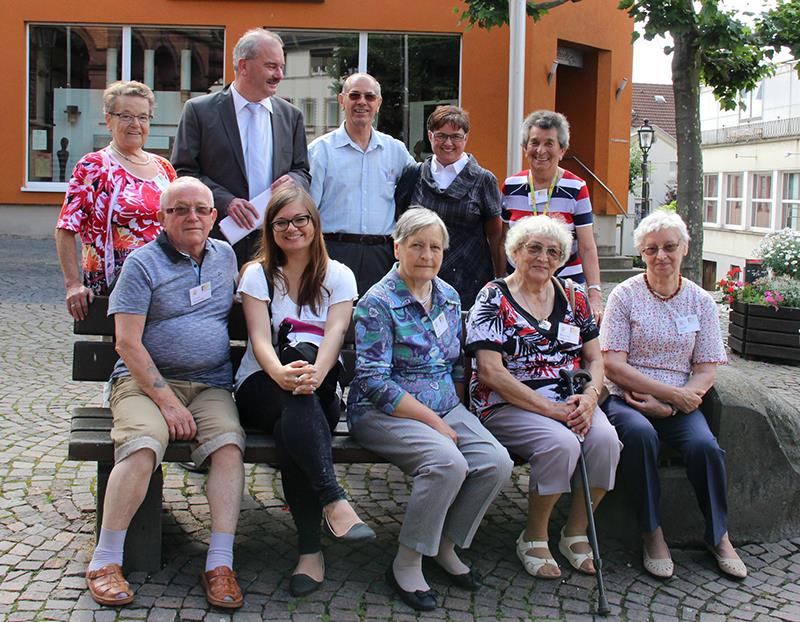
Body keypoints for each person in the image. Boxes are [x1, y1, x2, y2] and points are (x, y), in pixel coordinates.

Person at [84, 177, 246, 609]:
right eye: (179, 210)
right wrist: (168, 402)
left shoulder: (225, 256)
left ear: (214, 217)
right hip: (143, 383)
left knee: (229, 447)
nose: (192, 216)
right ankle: (105, 560)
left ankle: (219, 563)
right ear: (162, 217)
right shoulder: (142, 264)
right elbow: (127, 343)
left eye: (201, 209)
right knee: (141, 446)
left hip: (211, 383)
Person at [348, 208, 513, 611]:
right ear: (397, 246)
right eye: (417, 245)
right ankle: (406, 563)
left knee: (496, 461)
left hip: (443, 404)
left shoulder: (449, 295)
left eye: (435, 247)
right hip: (384, 409)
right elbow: (372, 380)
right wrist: (434, 421)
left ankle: (444, 544)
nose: (426, 254)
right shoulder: (378, 303)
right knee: (446, 464)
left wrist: (455, 411)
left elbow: (457, 363)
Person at [234, 185, 374, 597]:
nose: (292, 228)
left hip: (319, 385)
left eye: (300, 219)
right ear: (270, 228)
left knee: (296, 417)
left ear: (314, 223)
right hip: (261, 385)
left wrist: (315, 373)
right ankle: (330, 507)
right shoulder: (257, 273)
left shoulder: (339, 275)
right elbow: (259, 338)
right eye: (282, 222)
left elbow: (335, 333)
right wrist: (279, 372)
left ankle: (313, 546)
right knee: (295, 410)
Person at [466, 215, 620, 579]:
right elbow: (489, 371)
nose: (543, 257)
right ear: (515, 252)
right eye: (533, 248)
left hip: (572, 398)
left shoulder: (575, 296)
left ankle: (575, 532)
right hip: (508, 400)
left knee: (606, 440)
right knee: (561, 444)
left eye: (553, 251)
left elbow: (596, 358)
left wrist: (591, 397)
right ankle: (533, 536)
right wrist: (550, 410)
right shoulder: (493, 296)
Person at [600, 210, 746, 580]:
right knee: (640, 435)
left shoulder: (700, 301)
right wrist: (668, 398)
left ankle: (718, 535)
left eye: (669, 247)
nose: (661, 255)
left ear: (684, 248)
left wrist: (677, 401)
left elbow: (706, 368)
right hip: (629, 398)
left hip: (681, 401)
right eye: (651, 249)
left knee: (706, 448)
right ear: (641, 254)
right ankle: (652, 533)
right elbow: (614, 365)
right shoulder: (624, 296)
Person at [172, 28, 310, 266]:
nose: (280, 75)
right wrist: (226, 201)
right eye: (271, 66)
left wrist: (293, 181)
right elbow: (183, 173)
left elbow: (303, 172)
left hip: (277, 240)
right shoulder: (200, 111)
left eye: (281, 67)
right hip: (217, 240)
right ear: (243, 66)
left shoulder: (291, 116)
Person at [56, 80, 176, 320]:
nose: (136, 124)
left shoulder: (164, 168)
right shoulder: (94, 166)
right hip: (117, 287)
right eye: (126, 116)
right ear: (108, 120)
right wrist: (73, 284)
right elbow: (66, 228)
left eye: (143, 117)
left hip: (163, 283)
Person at [309, 72, 415, 295]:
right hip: (333, 251)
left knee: (380, 324)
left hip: (382, 255)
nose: (362, 102)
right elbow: (309, 210)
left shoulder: (396, 151)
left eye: (369, 97)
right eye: (354, 95)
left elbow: (417, 198)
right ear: (342, 100)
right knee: (334, 321)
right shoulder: (321, 151)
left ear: (378, 104)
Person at [394, 105, 505, 308]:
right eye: (441, 136)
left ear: (466, 138)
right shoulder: (414, 175)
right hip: (419, 278)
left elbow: (496, 237)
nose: (448, 143)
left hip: (471, 280)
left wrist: (500, 283)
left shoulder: (483, 180)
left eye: (455, 136)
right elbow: (401, 227)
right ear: (430, 135)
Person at [502, 110, 604, 323]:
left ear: (562, 150)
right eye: (534, 142)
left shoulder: (576, 188)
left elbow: (586, 246)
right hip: (520, 288)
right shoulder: (510, 186)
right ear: (525, 147)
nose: (540, 150)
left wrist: (594, 294)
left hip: (566, 287)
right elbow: (503, 241)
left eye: (549, 143)